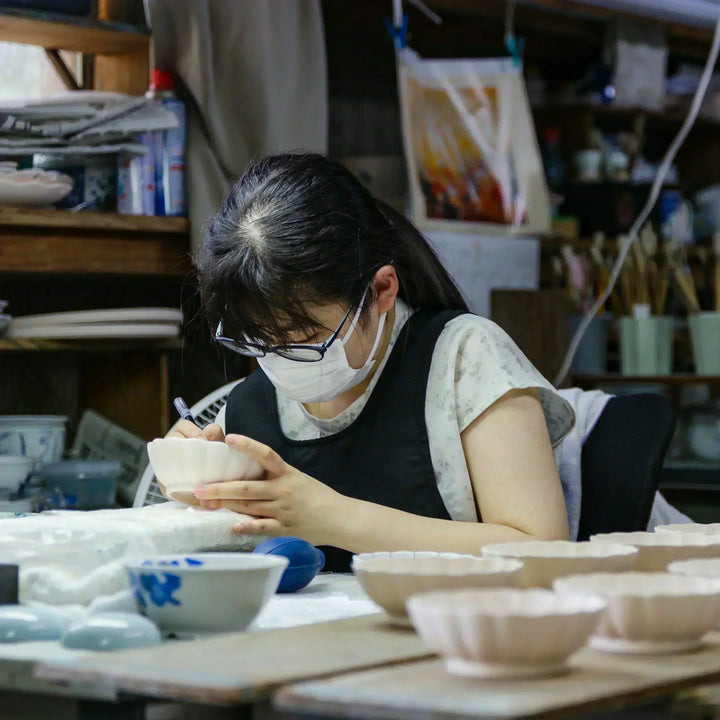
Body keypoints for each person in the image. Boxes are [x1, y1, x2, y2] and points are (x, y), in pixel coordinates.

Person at [166, 153, 637, 571]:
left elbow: (541, 551)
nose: (281, 362)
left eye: (307, 339)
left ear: (381, 290)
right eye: (259, 342)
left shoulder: (464, 358)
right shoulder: (256, 401)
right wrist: (194, 483)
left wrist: (336, 519)